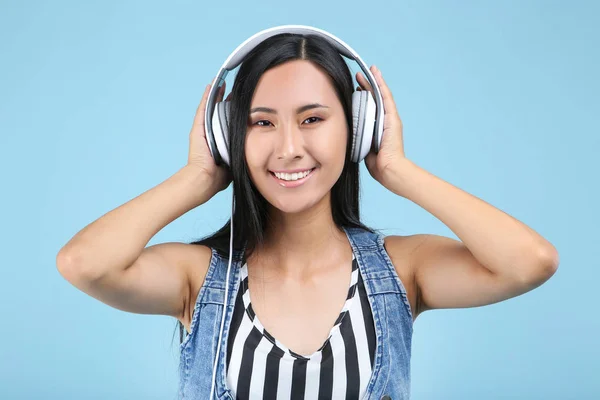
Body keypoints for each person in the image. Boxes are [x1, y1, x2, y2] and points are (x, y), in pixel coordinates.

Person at [57, 30, 560, 400]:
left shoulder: (401, 270)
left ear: (358, 128)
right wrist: (196, 178)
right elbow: (84, 263)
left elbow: (530, 261)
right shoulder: (198, 278)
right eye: (262, 123)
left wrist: (398, 170)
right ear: (232, 137)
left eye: (313, 119)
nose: (289, 147)